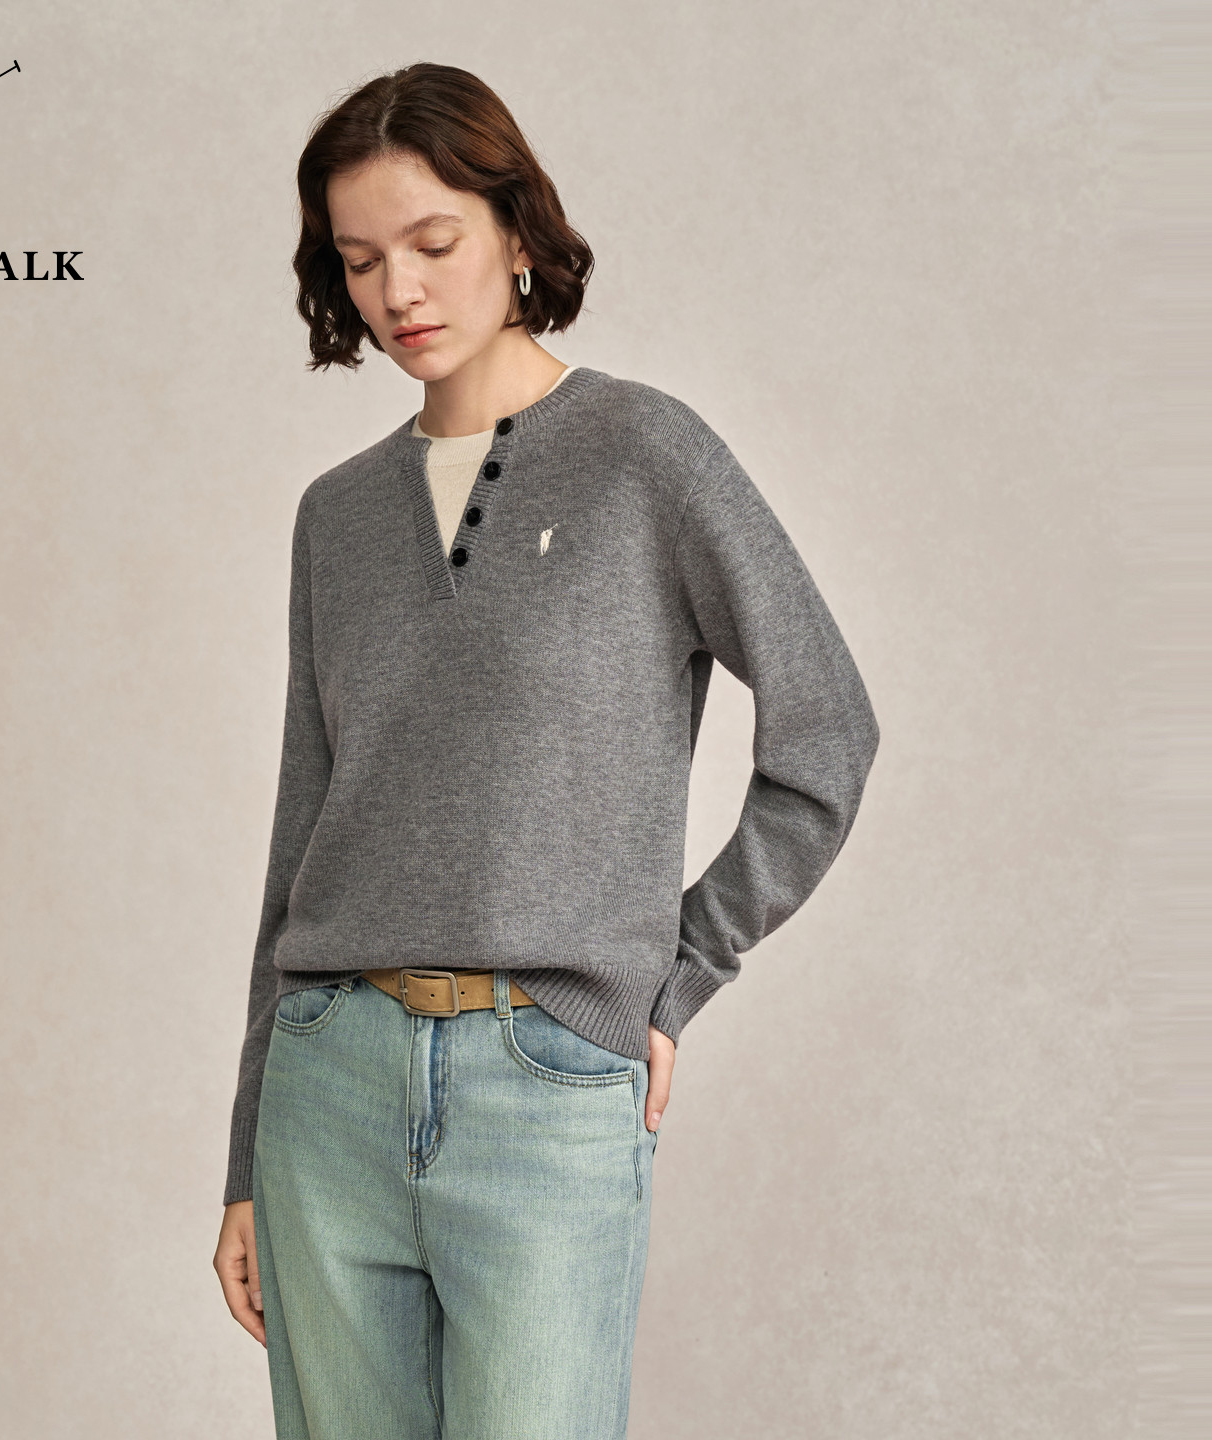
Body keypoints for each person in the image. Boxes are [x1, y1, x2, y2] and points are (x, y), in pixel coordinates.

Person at [212, 61, 880, 1440]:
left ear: (517, 231)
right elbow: (301, 834)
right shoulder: (336, 517)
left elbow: (828, 730)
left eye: (433, 243)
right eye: (361, 261)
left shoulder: (645, 455)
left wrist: (675, 979)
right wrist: (244, 1162)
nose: (399, 291)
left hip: (547, 1083)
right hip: (326, 1087)